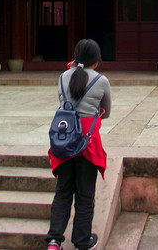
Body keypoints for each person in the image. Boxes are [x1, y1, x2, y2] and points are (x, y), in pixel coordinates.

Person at [46, 39, 111, 250]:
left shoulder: (63, 76)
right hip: (87, 142)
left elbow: (64, 102)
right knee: (85, 195)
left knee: (63, 191)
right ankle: (82, 242)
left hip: (64, 138)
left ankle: (54, 241)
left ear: (76, 57)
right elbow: (106, 112)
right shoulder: (101, 81)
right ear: (96, 59)